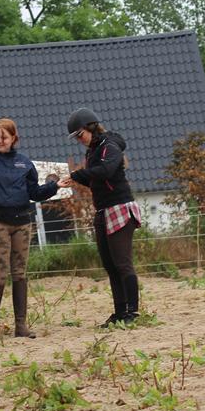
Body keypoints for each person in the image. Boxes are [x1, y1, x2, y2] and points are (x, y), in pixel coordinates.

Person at [0, 118, 59, 340]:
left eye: (4, 137)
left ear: (14, 138)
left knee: (19, 274)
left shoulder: (25, 164)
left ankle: (21, 325)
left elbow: (34, 193)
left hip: (22, 223)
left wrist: (54, 186)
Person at [58, 107, 142, 327]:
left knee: (123, 263)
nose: (79, 140)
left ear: (90, 128)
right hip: (103, 210)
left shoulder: (109, 147)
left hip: (120, 208)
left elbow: (105, 172)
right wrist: (76, 179)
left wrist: (76, 174)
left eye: (80, 135)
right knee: (110, 264)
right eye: (76, 137)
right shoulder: (92, 151)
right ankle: (119, 312)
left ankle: (133, 312)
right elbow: (94, 180)